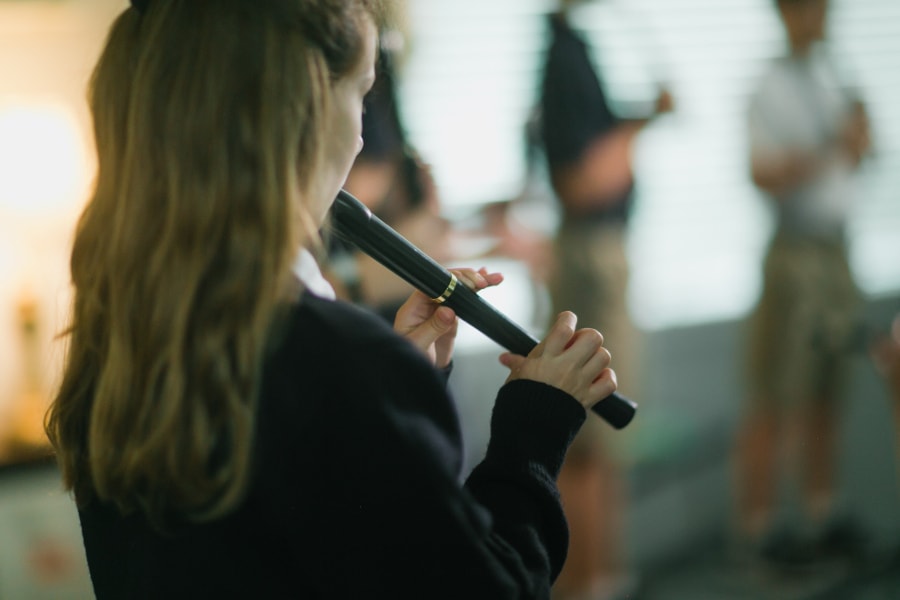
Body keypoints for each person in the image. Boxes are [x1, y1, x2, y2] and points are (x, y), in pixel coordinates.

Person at [43, 0, 619, 598]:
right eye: (362, 92)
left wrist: (392, 391)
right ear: (310, 107)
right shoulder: (336, 359)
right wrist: (533, 432)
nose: (363, 131)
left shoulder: (115, 339)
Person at [533, 1, 672, 597]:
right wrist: (646, 123)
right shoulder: (563, 58)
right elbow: (580, 181)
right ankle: (586, 586)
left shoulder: (575, 50)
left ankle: (602, 580)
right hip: (591, 257)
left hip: (596, 254)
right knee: (592, 433)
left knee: (602, 436)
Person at [734, 0, 872, 566]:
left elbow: (860, 153)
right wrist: (831, 147)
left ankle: (822, 515)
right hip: (793, 255)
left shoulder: (836, 75)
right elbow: (763, 172)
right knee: (776, 392)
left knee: (827, 388)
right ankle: (761, 530)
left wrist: (859, 140)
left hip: (838, 250)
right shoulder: (767, 86)